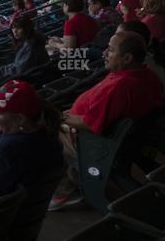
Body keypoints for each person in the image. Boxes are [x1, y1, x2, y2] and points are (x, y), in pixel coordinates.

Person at [51, 32, 164, 210]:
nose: (104, 53)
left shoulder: (120, 87)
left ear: (127, 58)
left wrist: (61, 118)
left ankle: (68, 189)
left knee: (45, 130)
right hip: (129, 139)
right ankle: (75, 181)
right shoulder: (149, 74)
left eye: (110, 50)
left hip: (101, 144)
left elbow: (91, 125)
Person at [0, 16, 48, 84]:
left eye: (19, 28)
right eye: (13, 28)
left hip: (29, 81)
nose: (15, 31)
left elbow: (18, 71)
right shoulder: (33, 40)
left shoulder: (29, 46)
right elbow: (18, 65)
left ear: (27, 29)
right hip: (34, 77)